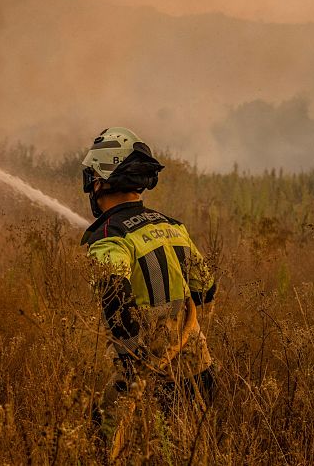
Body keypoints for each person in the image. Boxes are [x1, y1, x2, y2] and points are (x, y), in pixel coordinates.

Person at [80, 127, 217, 458]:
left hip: (142, 371)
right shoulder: (172, 225)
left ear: (99, 180)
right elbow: (206, 289)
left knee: (103, 443)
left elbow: (114, 295)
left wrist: (131, 362)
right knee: (184, 449)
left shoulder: (108, 234)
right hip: (197, 370)